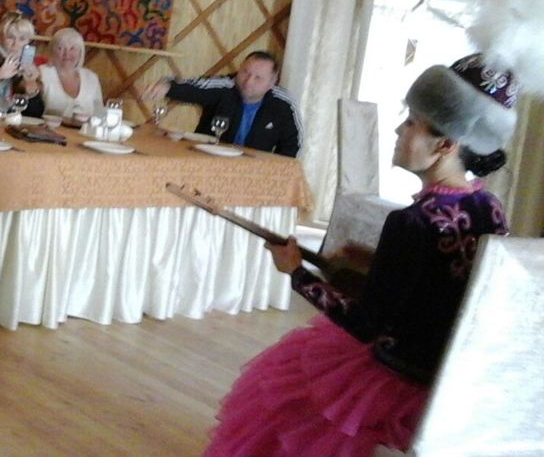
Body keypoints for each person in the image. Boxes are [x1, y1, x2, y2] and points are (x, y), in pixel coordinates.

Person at [204, 53, 517, 456]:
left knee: (287, 410)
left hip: (399, 379)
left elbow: (367, 324)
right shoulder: (489, 207)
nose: (398, 130)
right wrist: (371, 260)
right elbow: (442, 283)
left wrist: (296, 272)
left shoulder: (412, 221)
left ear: (445, 145)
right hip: (454, 378)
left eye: (411, 123)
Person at [145, 51, 300, 157]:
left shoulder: (283, 104)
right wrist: (168, 87)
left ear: (272, 81)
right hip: (206, 161)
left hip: (252, 171)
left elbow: (293, 145)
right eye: (245, 72)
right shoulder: (224, 86)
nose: (248, 81)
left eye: (258, 78)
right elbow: (193, 88)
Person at [38, 27, 103, 118]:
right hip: (49, 126)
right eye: (60, 48)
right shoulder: (42, 73)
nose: (66, 54)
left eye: (72, 48)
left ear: (80, 52)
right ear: (52, 51)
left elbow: (99, 112)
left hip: (84, 127)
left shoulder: (91, 78)